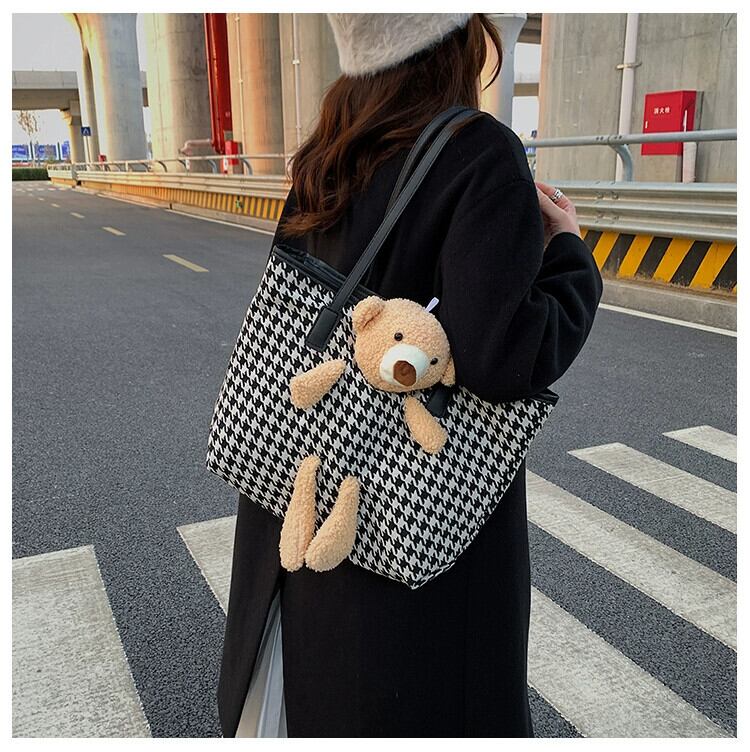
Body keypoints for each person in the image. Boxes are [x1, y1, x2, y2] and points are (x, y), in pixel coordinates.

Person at [217, 12, 602, 738]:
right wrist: (569, 256)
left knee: (314, 693)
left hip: (301, 482)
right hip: (412, 513)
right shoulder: (479, 152)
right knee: (425, 698)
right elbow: (502, 359)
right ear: (456, 39)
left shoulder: (331, 146)